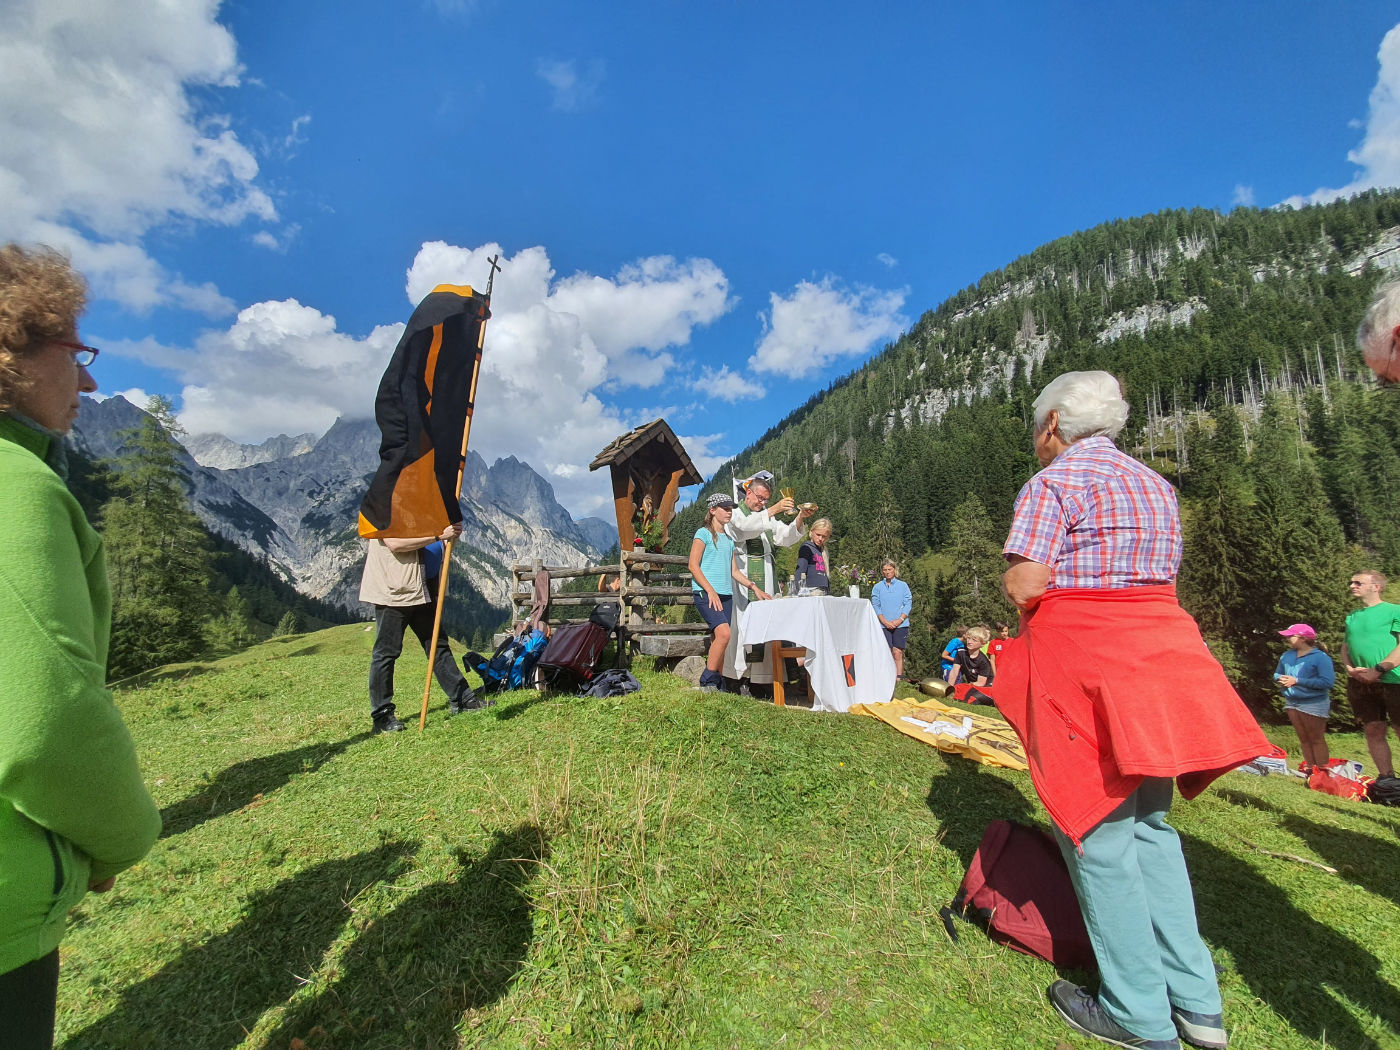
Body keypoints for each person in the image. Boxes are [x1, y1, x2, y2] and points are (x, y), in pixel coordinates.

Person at [997, 370, 1267, 1050]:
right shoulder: (1156, 486)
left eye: (1037, 429)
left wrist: (1025, 580)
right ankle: (1199, 1005)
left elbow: (1027, 581)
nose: (1036, 442)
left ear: (1054, 424)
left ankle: (1138, 1014)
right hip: (1160, 659)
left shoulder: (1055, 481)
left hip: (1088, 666)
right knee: (1152, 828)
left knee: (1098, 834)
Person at [0, 244, 162, 1048]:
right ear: (12, 351)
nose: (90, 381)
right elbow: (46, 720)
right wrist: (121, 835)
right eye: (76, 353)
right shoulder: (16, 489)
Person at [360, 525, 486, 732]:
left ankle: (463, 699)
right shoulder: (389, 506)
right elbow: (395, 544)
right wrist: (437, 535)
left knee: (438, 645)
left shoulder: (423, 509)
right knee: (386, 652)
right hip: (396, 591)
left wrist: (449, 538)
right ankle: (382, 716)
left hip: (422, 587)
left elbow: (439, 544)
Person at [724, 470, 812, 688]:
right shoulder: (735, 514)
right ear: (748, 494)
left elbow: (785, 537)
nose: (762, 503)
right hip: (744, 580)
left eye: (766, 500)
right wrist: (773, 509)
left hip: (766, 576)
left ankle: (761, 682)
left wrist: (800, 517)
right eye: (760, 498)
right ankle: (739, 679)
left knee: (766, 627)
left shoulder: (766, 516)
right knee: (744, 626)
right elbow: (745, 529)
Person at [689, 493, 762, 692]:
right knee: (724, 634)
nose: (729, 512)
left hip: (725, 595)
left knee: (717, 639)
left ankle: (718, 683)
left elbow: (734, 571)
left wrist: (753, 586)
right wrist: (710, 591)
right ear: (712, 510)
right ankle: (707, 681)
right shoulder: (702, 534)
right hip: (706, 594)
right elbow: (693, 565)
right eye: (725, 508)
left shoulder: (728, 540)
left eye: (731, 508)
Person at [1341, 570, 1400, 785]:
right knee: (1373, 729)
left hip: (1393, 680)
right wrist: (1349, 668)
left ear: (1376, 587)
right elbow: (1345, 647)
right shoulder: (1352, 616)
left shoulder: (1395, 611)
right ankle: (1387, 780)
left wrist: (1379, 669)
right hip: (1360, 683)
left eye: (1358, 582)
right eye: (1351, 581)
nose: (1352, 585)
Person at [1272, 623, 1334, 774]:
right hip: (1292, 702)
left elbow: (1327, 682)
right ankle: (1311, 771)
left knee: (1316, 739)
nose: (1286, 638)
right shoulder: (1287, 655)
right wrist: (1280, 678)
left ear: (1303, 638)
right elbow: (1276, 674)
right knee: (1304, 739)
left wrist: (1297, 681)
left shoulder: (1321, 657)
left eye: (1290, 635)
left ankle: (1323, 773)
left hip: (1314, 703)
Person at [871, 559, 912, 679]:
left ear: (894, 570)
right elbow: (875, 605)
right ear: (882, 571)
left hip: (901, 624)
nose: (887, 572)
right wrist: (884, 621)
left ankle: (898, 678)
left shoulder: (903, 585)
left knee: (897, 652)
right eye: (885, 570)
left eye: (890, 569)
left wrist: (900, 620)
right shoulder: (877, 587)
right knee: (886, 651)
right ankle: (886, 678)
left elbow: (908, 603)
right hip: (884, 624)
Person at [794, 517, 832, 592]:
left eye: (824, 536)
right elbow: (800, 570)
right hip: (810, 590)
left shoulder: (823, 550)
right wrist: (798, 590)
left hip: (823, 589)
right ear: (811, 531)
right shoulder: (806, 548)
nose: (820, 538)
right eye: (818, 534)